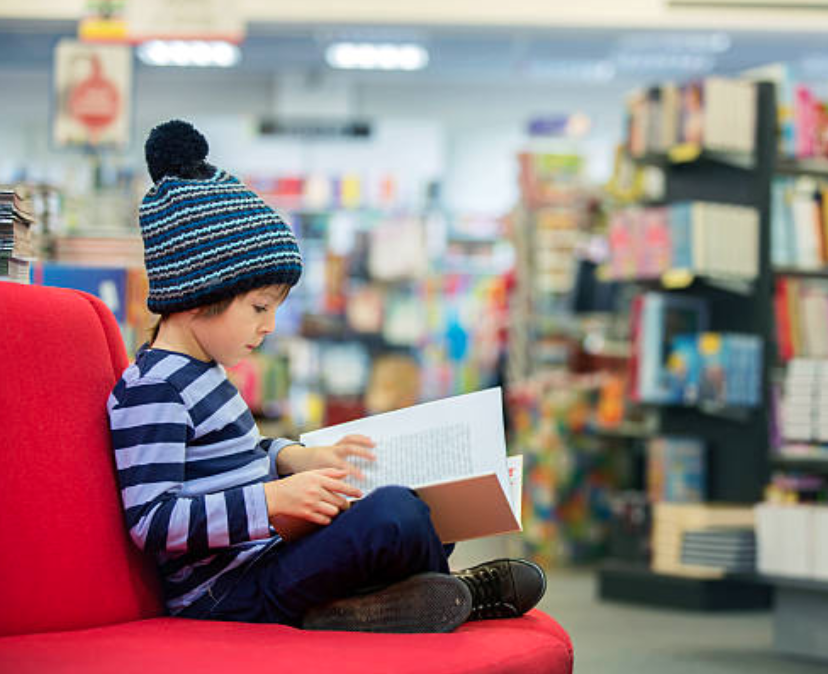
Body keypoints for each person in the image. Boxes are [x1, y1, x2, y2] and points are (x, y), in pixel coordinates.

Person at [107, 119, 545, 633]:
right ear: (196, 295)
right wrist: (271, 502)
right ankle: (457, 595)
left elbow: (234, 458)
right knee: (394, 517)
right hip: (227, 593)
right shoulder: (154, 388)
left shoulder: (204, 371)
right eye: (259, 307)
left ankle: (370, 606)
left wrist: (294, 457)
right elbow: (152, 521)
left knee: (419, 508)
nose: (269, 326)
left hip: (266, 557)